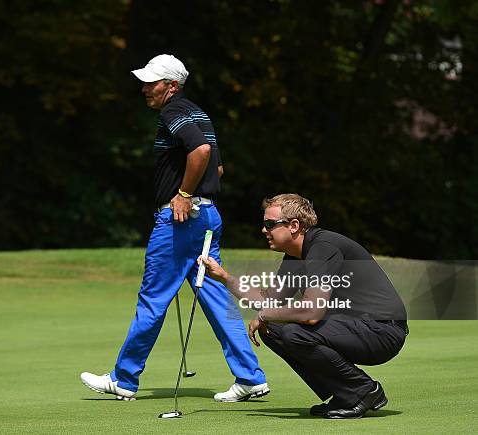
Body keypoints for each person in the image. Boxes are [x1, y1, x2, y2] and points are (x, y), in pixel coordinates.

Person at [80, 54, 268, 402]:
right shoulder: (199, 112)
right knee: (214, 297)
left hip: (181, 220)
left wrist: (183, 194)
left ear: (171, 86)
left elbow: (200, 150)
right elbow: (218, 169)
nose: (144, 88)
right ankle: (250, 377)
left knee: (153, 298)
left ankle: (124, 378)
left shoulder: (172, 112)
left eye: (152, 82)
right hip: (207, 216)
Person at [201, 193, 408, 418]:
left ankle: (364, 391)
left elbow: (311, 313)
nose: (263, 230)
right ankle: (345, 393)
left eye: (270, 224)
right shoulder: (295, 256)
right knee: (272, 330)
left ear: (294, 225)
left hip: (382, 331)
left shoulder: (323, 248)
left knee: (293, 333)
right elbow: (269, 300)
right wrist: (224, 277)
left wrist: (266, 314)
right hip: (356, 327)